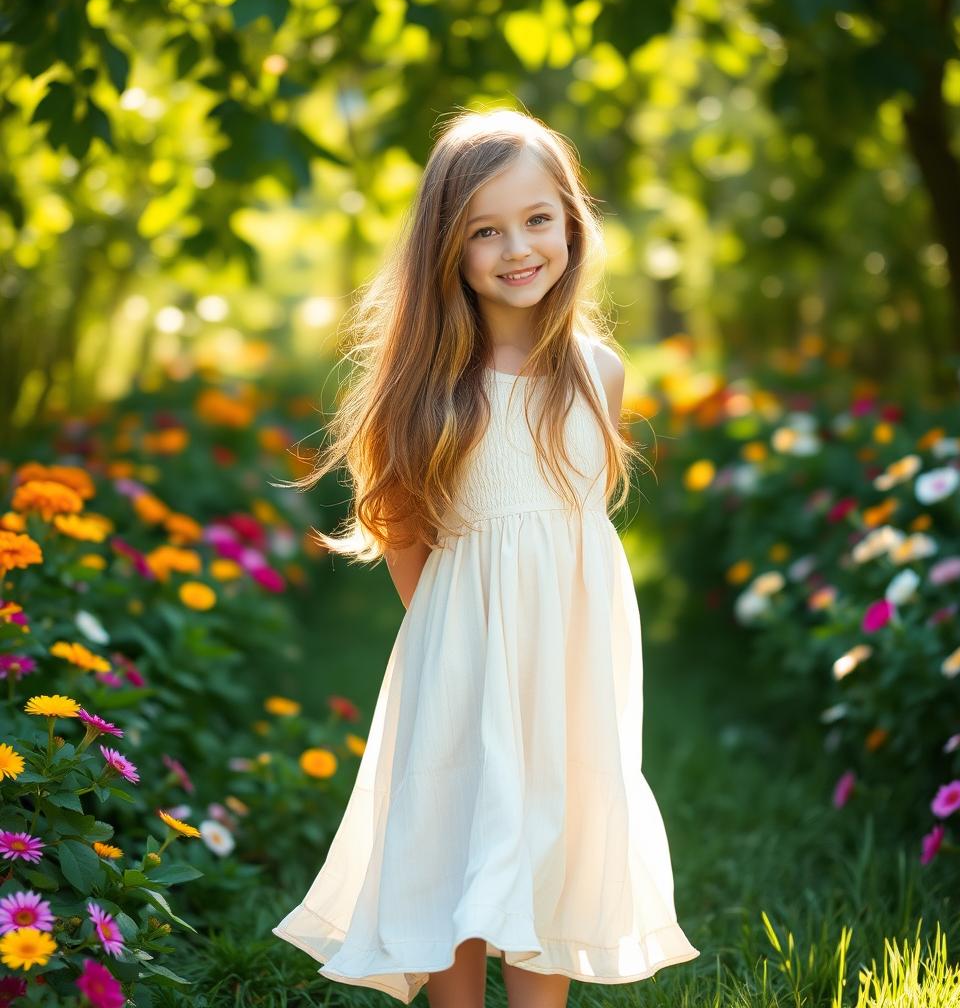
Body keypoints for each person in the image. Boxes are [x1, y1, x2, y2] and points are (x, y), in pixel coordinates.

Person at [271, 105, 700, 1007]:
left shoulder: (600, 372)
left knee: (553, 829)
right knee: (457, 833)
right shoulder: (429, 389)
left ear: (572, 224)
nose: (519, 247)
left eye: (539, 219)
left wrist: (552, 648)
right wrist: (459, 646)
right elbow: (400, 530)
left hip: (572, 663)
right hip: (462, 650)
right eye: (486, 231)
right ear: (447, 250)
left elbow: (574, 530)